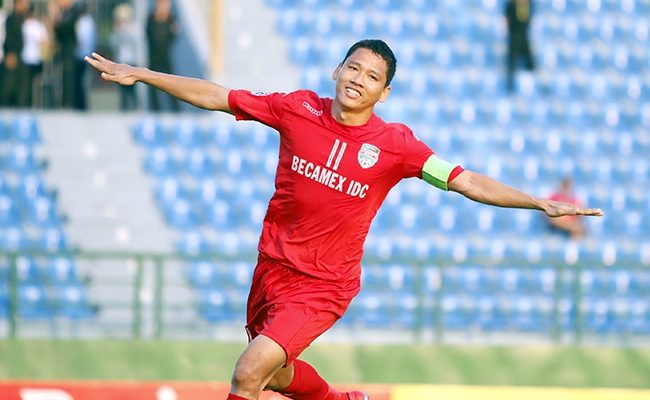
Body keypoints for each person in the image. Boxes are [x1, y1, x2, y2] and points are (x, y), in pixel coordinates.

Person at [85, 39, 603, 400]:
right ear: (337, 70)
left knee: (248, 372)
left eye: (373, 77)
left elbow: (465, 180)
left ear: (384, 93)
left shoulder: (397, 145)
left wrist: (539, 202)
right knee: (276, 373)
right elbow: (218, 96)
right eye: (353, 68)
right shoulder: (296, 109)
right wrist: (143, 74)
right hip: (271, 268)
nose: (359, 80)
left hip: (324, 284)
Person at [146, 0, 179, 112]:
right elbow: (149, 36)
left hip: (165, 57)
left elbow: (173, 37)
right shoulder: (151, 19)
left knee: (172, 84)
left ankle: (176, 110)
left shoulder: (171, 19)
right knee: (152, 84)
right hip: (154, 57)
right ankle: (156, 110)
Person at [109, 3, 140, 111]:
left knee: (132, 88)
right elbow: (113, 44)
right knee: (122, 89)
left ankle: (134, 108)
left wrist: (123, 29)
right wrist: (117, 30)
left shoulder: (134, 27)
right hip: (121, 62)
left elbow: (135, 41)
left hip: (132, 62)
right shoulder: (116, 30)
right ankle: (124, 109)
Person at [1, 0, 29, 107]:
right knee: (8, 85)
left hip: (19, 55)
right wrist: (10, 53)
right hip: (12, 55)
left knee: (20, 85)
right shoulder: (11, 19)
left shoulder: (20, 18)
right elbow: (9, 38)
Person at [504, 0, 535, 93]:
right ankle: (510, 88)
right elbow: (507, 20)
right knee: (511, 64)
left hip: (524, 36)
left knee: (530, 63)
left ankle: (532, 86)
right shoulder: (511, 5)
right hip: (514, 36)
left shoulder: (528, 4)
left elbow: (528, 19)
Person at [21, 4, 48, 107]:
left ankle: (26, 103)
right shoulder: (39, 26)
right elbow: (44, 41)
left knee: (26, 84)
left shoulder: (24, 25)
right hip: (35, 58)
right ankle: (34, 103)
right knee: (33, 84)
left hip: (26, 57)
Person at [53, 0, 77, 108]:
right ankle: (64, 102)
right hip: (64, 51)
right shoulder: (65, 13)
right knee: (64, 78)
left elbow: (65, 28)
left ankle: (69, 102)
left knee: (69, 78)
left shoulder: (72, 13)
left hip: (70, 51)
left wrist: (57, 21)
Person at [73, 2, 95, 110]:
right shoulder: (88, 21)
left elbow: (82, 39)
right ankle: (80, 104)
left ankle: (81, 105)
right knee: (80, 81)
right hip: (84, 54)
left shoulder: (84, 21)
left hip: (82, 55)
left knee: (81, 81)